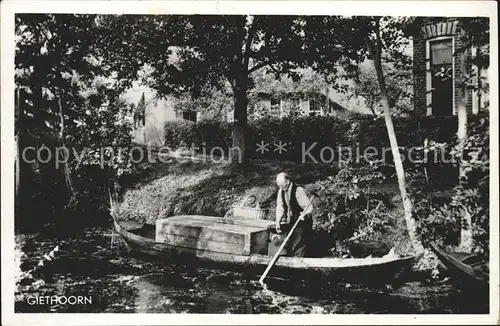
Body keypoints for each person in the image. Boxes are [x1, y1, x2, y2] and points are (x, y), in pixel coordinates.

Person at [275, 172, 313, 257]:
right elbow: (280, 207)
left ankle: (298, 263)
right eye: (279, 186)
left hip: (302, 220)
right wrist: (278, 221)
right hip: (291, 219)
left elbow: (309, 207)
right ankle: (290, 263)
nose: (281, 188)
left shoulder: (298, 190)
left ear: (288, 181)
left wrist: (304, 214)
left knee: (299, 243)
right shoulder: (281, 191)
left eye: (283, 185)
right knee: (290, 242)